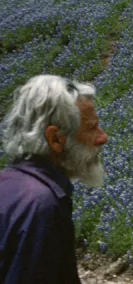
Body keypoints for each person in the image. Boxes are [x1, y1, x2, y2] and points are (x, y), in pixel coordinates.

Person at [0, 75, 108, 284]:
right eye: (92, 128)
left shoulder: (7, 185)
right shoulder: (41, 206)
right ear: (55, 139)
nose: (103, 137)